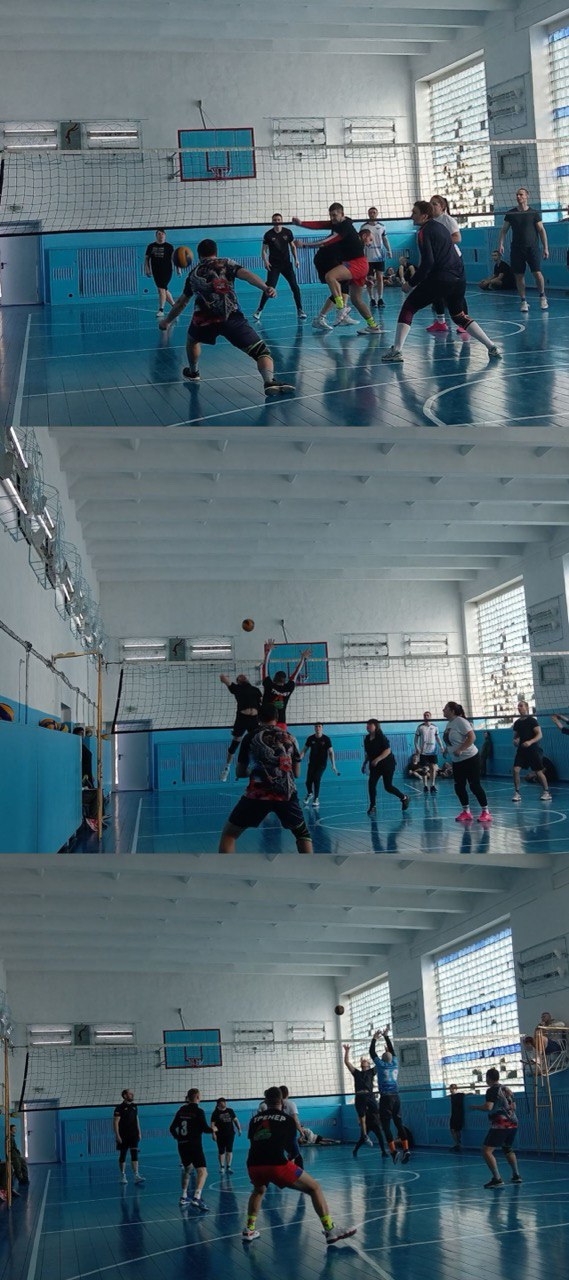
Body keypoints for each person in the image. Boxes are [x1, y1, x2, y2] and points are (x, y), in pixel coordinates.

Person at [158, 239, 294, 396]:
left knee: (192, 340)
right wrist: (265, 287)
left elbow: (181, 302)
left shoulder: (193, 274)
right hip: (231, 316)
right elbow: (247, 275)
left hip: (204, 319)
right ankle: (269, 381)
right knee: (261, 352)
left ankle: (193, 372)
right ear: (216, 252)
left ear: (199, 255)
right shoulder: (226, 263)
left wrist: (167, 321)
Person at [382, 201, 500, 363]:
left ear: (424, 216)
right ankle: (491, 346)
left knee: (409, 307)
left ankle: (396, 350)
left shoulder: (424, 231)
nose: (411, 216)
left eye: (414, 212)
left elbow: (428, 262)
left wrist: (411, 283)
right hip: (459, 277)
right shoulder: (441, 228)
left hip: (442, 277)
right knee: (458, 316)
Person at [243, 1085, 356, 1244]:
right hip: (276, 1164)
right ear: (282, 1101)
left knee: (258, 1191)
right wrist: (292, 1157)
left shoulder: (254, 1120)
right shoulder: (287, 1120)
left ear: (265, 1101)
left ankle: (249, 1230)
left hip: (253, 1165)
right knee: (314, 1188)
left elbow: (254, 1142)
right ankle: (330, 1229)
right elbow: (293, 1149)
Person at [218, 708, 313, 853]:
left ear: (258, 718)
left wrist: (254, 771)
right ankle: (310, 867)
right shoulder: (291, 738)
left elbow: (240, 772)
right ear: (277, 718)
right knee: (303, 834)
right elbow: (297, 773)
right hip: (286, 794)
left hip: (258, 795)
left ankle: (225, 866)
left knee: (229, 835)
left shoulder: (250, 737)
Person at [292, 203, 380, 334]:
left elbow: (326, 242)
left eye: (335, 215)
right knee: (356, 299)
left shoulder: (344, 228)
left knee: (331, 276)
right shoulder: (338, 223)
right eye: (331, 215)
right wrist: (301, 223)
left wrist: (304, 245)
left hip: (356, 264)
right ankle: (373, 326)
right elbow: (320, 224)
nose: (332, 218)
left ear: (342, 214)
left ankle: (340, 309)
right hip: (359, 265)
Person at [497, 188, 549, 312]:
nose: (518, 197)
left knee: (537, 273)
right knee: (519, 275)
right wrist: (501, 244)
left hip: (532, 248)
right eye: (517, 195)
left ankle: (542, 297)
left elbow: (541, 230)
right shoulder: (511, 213)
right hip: (517, 249)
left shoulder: (533, 213)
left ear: (527, 196)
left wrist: (545, 248)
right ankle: (523, 301)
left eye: (521, 194)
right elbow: (504, 230)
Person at [442, 701, 492, 823]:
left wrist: (461, 749)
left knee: (474, 786)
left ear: (452, 711)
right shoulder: (449, 723)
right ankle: (466, 812)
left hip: (470, 758)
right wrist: (447, 750)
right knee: (459, 787)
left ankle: (486, 812)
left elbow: (472, 737)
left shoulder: (461, 721)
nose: (443, 710)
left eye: (445, 708)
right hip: (457, 761)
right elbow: (452, 740)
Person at [471, 1067, 521, 1188]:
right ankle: (516, 1175)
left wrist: (476, 1107)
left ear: (488, 1078)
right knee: (507, 1148)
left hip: (501, 1124)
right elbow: (514, 1107)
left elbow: (488, 1107)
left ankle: (497, 1179)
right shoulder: (507, 1089)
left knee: (486, 1151)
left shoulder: (492, 1090)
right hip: (513, 1122)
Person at [424, 195, 467, 336]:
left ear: (442, 207)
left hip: (452, 260)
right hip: (437, 260)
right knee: (436, 289)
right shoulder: (430, 221)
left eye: (435, 204)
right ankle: (440, 322)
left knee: (456, 291)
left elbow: (457, 238)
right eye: (430, 203)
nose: (432, 206)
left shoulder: (448, 220)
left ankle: (464, 322)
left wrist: (441, 242)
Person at [170, 1087, 217, 1210]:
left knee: (187, 1169)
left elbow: (172, 1128)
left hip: (182, 1145)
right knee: (203, 1171)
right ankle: (197, 1198)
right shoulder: (199, 1111)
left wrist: (178, 1138)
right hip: (194, 1145)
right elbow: (205, 1129)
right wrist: (213, 1129)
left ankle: (184, 1196)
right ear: (197, 1097)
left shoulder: (181, 1111)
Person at [254, 214, 306, 321]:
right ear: (272, 221)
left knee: (295, 287)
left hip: (287, 265)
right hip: (274, 266)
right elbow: (264, 250)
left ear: (281, 221)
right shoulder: (268, 234)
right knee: (269, 287)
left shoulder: (287, 232)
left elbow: (293, 246)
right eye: (275, 220)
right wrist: (265, 261)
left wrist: (296, 259)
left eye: (278, 219)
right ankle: (259, 310)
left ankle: (300, 310)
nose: (277, 221)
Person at [369, 1027, 411, 1163]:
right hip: (396, 1098)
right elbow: (392, 1051)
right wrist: (386, 1036)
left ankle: (393, 1151)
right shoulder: (395, 1063)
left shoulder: (381, 1065)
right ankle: (406, 1149)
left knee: (386, 1126)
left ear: (382, 1058)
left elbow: (372, 1052)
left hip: (386, 1098)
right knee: (399, 1124)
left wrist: (374, 1038)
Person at [343, 1043, 388, 1158]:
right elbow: (347, 1062)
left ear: (368, 1065)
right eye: (362, 1061)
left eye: (366, 1061)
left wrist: (387, 1052)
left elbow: (382, 1062)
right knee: (362, 1118)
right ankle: (364, 1135)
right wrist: (347, 1051)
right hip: (360, 1096)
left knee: (378, 1111)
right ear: (361, 1065)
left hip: (369, 1096)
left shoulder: (371, 1072)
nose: (364, 1061)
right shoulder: (357, 1073)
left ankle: (382, 1145)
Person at [219, 673, 262, 782]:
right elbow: (224, 679)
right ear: (238, 681)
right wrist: (224, 677)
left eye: (244, 675)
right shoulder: (237, 688)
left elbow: (261, 704)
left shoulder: (256, 690)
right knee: (235, 743)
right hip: (242, 719)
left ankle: (257, 767)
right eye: (240, 676)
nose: (243, 676)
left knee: (257, 743)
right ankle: (227, 768)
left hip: (254, 720)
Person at [362, 718, 409, 815]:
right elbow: (368, 753)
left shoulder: (381, 737)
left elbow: (387, 751)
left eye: (370, 724)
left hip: (387, 764)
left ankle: (404, 798)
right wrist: (364, 763)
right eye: (367, 724)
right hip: (375, 766)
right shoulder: (366, 739)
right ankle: (373, 806)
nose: (367, 726)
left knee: (388, 787)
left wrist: (377, 759)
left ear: (376, 726)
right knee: (371, 784)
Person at [261, 641, 311, 725]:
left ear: (274, 678)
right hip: (281, 722)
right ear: (285, 680)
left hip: (267, 721)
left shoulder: (269, 685)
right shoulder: (289, 688)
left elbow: (265, 667)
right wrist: (303, 658)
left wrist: (268, 651)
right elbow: (296, 673)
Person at [512, 700, 551, 802]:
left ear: (526, 708)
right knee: (515, 770)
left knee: (538, 772)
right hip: (521, 750)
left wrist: (530, 742)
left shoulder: (532, 720)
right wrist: (515, 741)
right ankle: (517, 793)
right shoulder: (517, 723)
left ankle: (546, 792)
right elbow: (516, 736)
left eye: (521, 706)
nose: (519, 707)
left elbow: (540, 734)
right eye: (518, 706)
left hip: (533, 749)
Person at [359, 206, 392, 309]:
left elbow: (385, 239)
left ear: (377, 214)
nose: (372, 214)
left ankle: (380, 299)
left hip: (379, 256)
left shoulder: (382, 226)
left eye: (374, 212)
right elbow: (360, 241)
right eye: (370, 212)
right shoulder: (363, 227)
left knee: (379, 277)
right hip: (368, 257)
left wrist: (389, 250)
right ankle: (372, 299)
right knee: (370, 279)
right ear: (368, 214)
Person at [300, 723, 339, 807]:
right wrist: (299, 758)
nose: (317, 728)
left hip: (321, 764)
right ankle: (310, 793)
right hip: (312, 763)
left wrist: (333, 765)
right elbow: (304, 750)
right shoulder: (310, 738)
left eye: (319, 726)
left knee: (316, 778)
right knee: (308, 781)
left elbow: (331, 752)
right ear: (314, 728)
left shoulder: (326, 739)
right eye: (316, 726)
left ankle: (316, 798)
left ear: (322, 728)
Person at [113, 1088, 145, 1186]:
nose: (132, 1095)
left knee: (134, 1154)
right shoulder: (119, 1108)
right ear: (125, 1096)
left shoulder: (134, 1106)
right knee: (123, 1155)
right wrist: (117, 1135)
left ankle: (136, 1175)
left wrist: (139, 1132)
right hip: (123, 1135)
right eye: (130, 1094)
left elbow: (136, 1119)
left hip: (133, 1134)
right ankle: (123, 1175)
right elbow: (115, 1122)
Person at [144, 229, 175, 317]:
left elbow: (174, 259)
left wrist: (178, 269)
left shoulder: (169, 247)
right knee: (163, 289)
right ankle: (174, 306)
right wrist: (147, 269)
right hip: (156, 271)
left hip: (167, 271)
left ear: (165, 235)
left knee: (161, 289)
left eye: (162, 234)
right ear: (156, 236)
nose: (161, 235)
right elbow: (146, 259)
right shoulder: (151, 246)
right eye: (159, 234)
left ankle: (161, 310)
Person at [414, 711, 444, 794]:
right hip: (423, 752)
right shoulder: (420, 727)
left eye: (427, 715)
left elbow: (438, 738)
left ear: (430, 717)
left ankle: (432, 785)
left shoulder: (435, 727)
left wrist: (441, 746)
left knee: (433, 768)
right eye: (424, 715)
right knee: (424, 769)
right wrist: (417, 747)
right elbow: (416, 739)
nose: (426, 717)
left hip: (433, 751)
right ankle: (425, 786)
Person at [210, 1098, 241, 1173]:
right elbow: (212, 1124)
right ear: (218, 1104)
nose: (224, 1103)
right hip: (220, 1135)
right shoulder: (215, 1113)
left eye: (224, 1102)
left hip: (230, 1134)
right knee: (221, 1151)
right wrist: (213, 1134)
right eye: (222, 1102)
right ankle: (222, 1167)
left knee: (229, 1150)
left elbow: (236, 1120)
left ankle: (229, 1167)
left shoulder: (230, 1110)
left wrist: (239, 1129)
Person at [448, 1084, 465, 1152]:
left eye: (452, 1088)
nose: (450, 1090)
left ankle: (458, 1144)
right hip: (453, 1115)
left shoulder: (460, 1095)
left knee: (457, 1130)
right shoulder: (451, 1096)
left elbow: (469, 1093)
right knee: (452, 1129)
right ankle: (457, 1144)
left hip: (459, 1115)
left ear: (456, 1089)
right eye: (450, 1088)